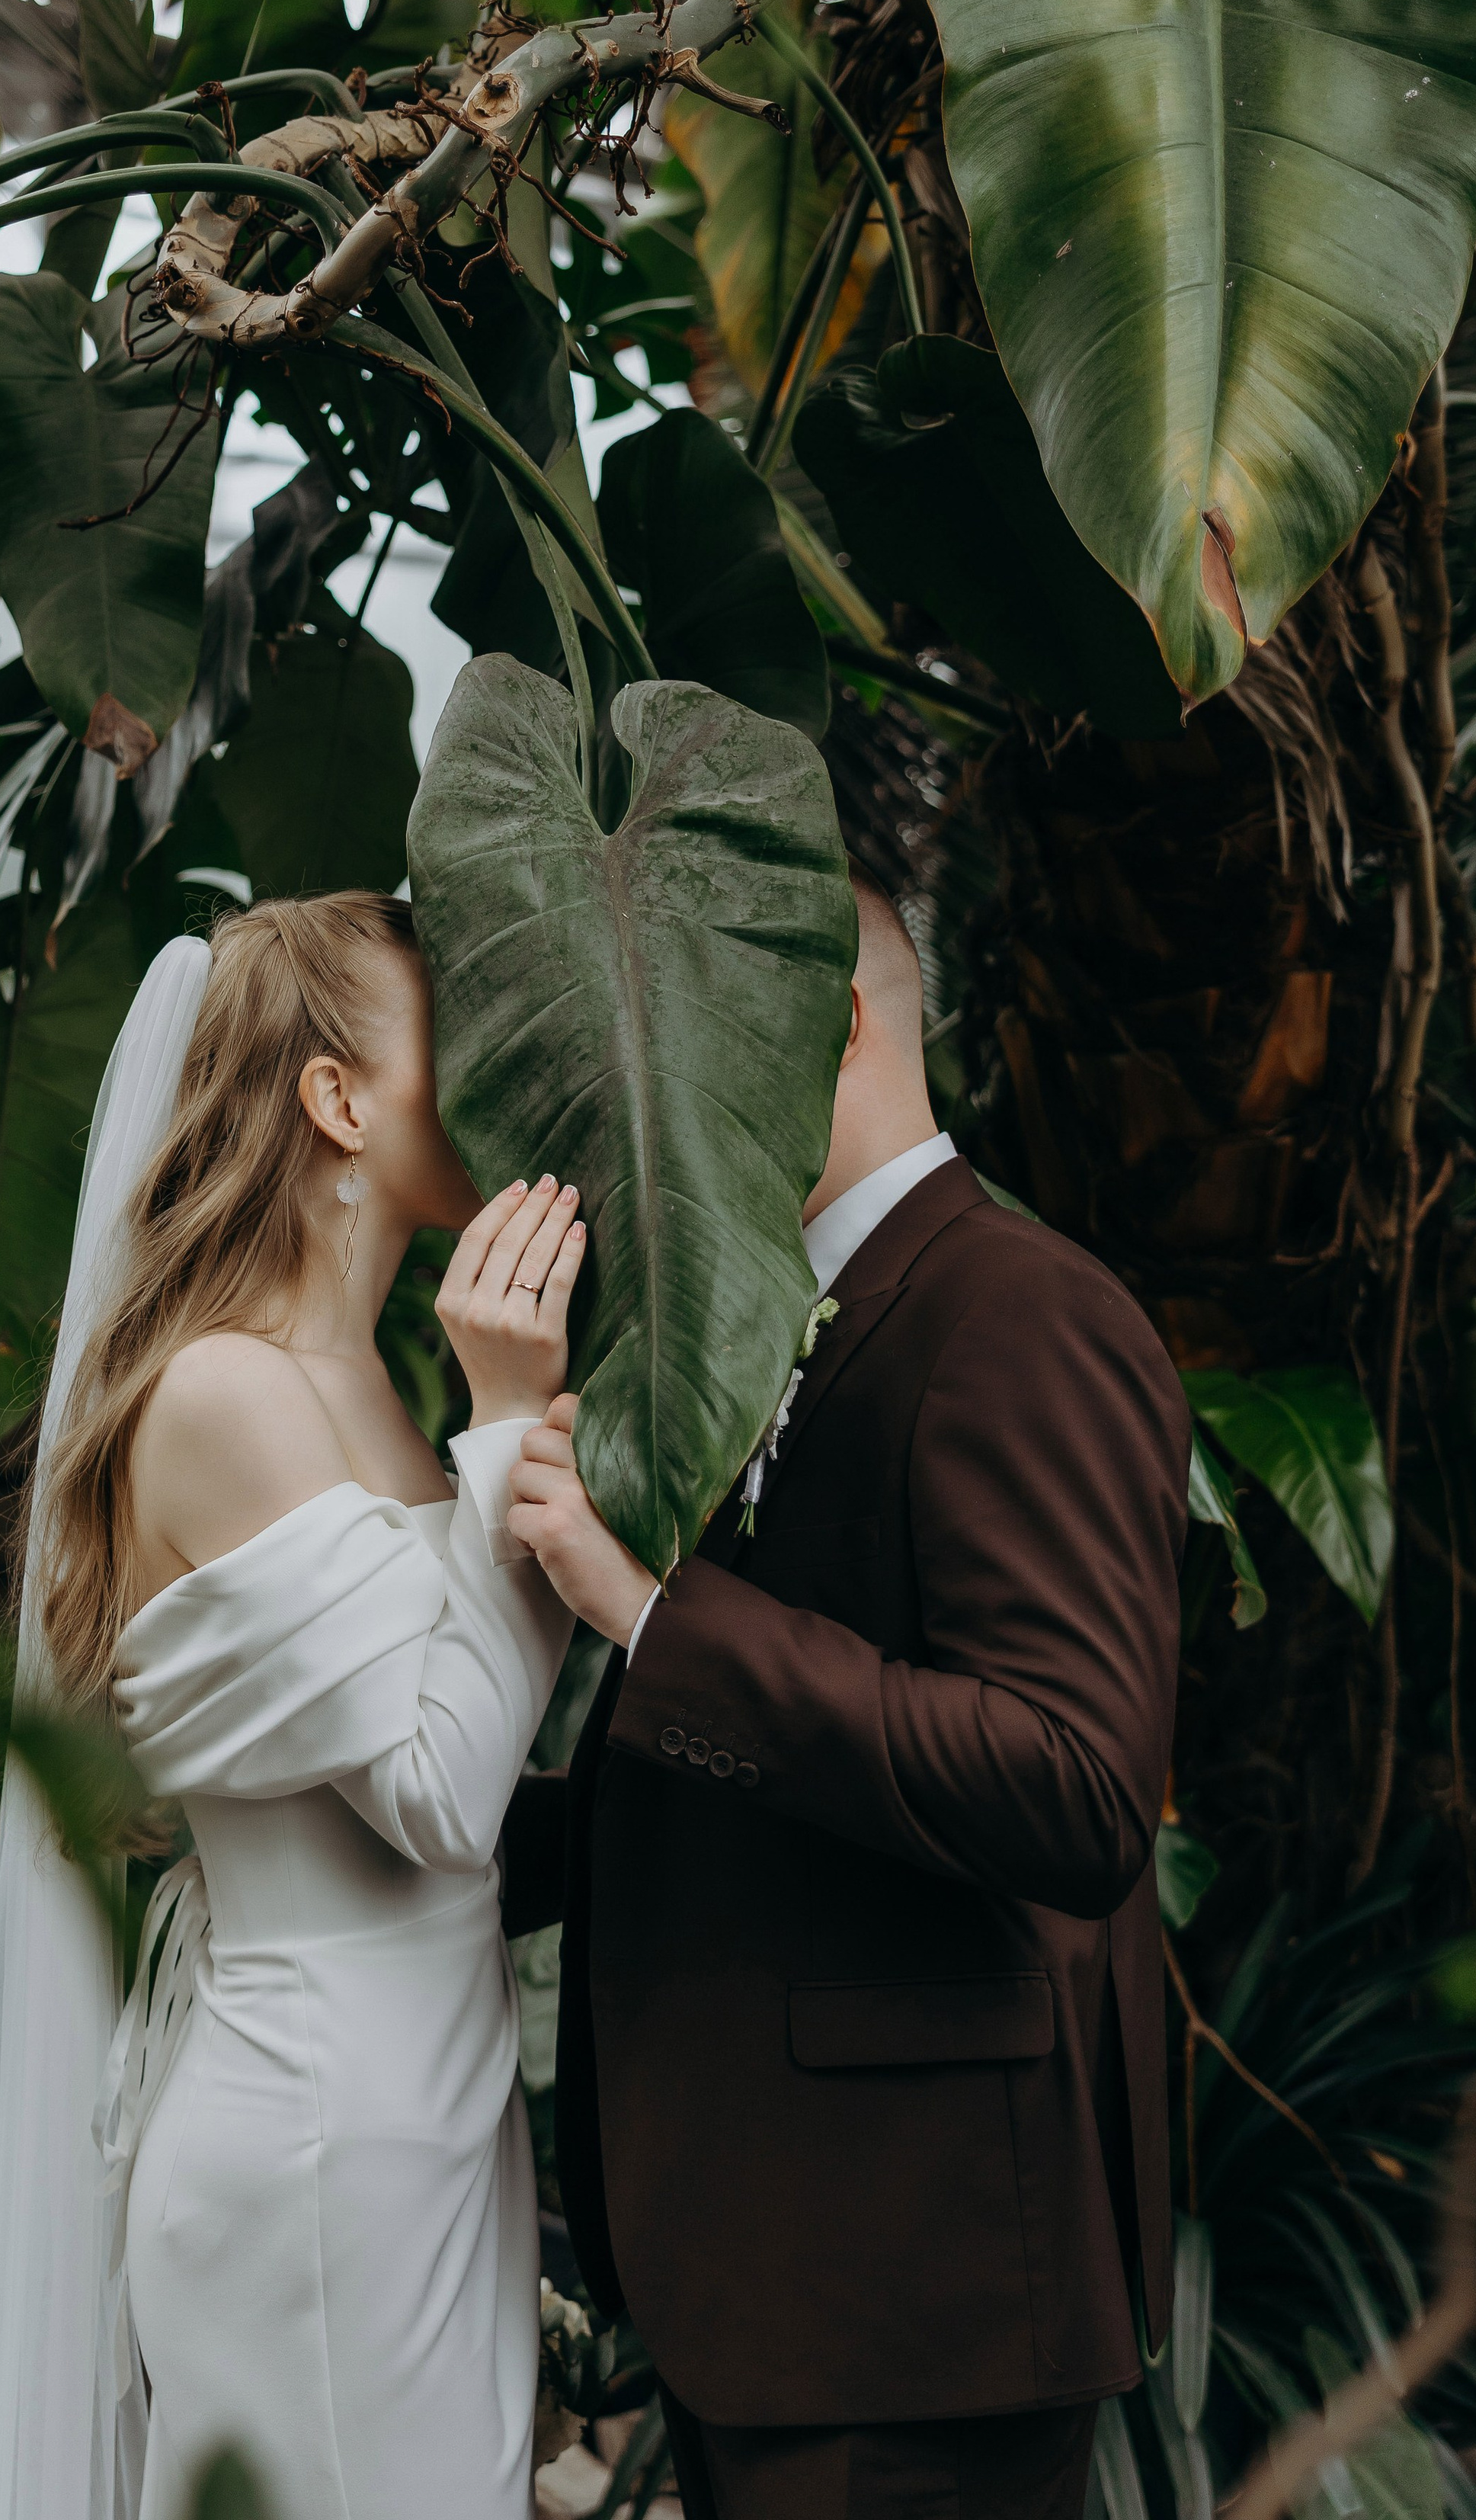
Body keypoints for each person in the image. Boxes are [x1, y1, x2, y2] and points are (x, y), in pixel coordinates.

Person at [503, 872, 1191, 2520]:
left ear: (833, 1020)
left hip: (914, 2293)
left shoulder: (1017, 1313)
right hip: (784, 2267)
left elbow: (1072, 1784)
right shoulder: (771, 1319)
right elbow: (750, 1786)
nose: (644, 1094)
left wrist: (650, 1613)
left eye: (677, 1038)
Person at [0, 895, 580, 2520]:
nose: (499, 1067)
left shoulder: (366, 1383)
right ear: (337, 1100)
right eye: (454, 1035)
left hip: (430, 2107)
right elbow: (440, 1794)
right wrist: (512, 1428)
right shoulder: (228, 1390)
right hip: (321, 2139)